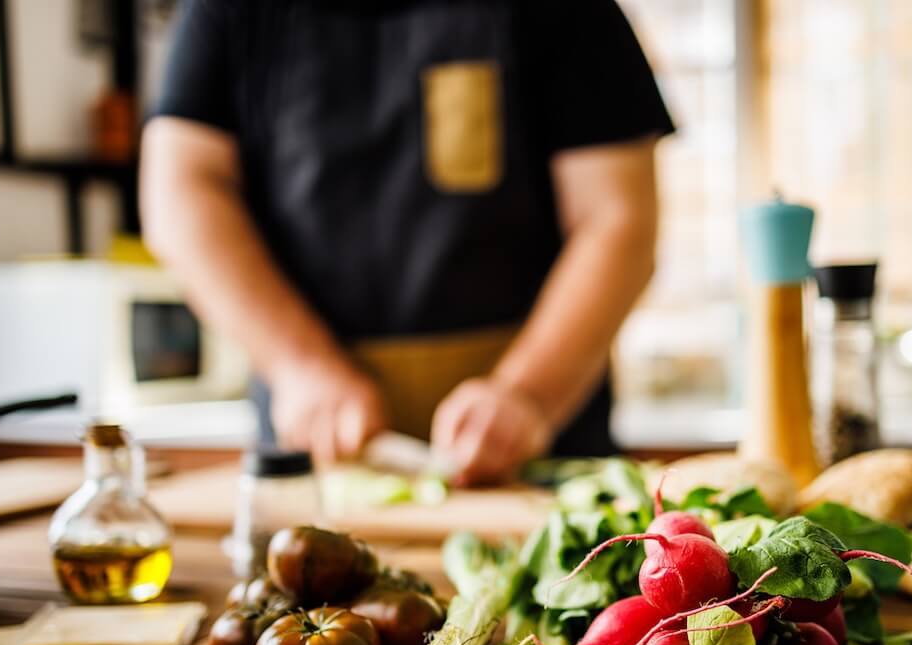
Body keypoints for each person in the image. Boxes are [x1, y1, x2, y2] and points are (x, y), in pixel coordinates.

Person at [141, 0, 674, 485]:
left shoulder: (574, 12)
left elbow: (616, 220)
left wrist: (529, 394)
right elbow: (181, 194)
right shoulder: (225, 13)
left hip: (543, 450)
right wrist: (300, 365)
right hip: (315, 453)